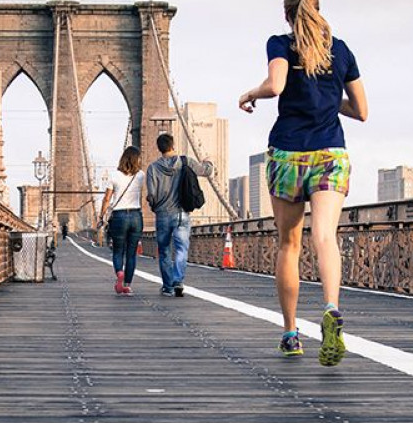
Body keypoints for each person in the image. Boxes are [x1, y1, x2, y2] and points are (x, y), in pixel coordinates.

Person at [238, 0, 367, 365]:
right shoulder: (341, 50)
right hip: (330, 153)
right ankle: (331, 307)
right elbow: (361, 111)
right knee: (325, 236)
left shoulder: (280, 43)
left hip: (288, 153)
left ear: (287, 13)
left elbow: (276, 85)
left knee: (289, 245)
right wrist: (328, 98)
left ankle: (291, 333)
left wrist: (250, 94)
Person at [145, 133, 214, 297]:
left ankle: (168, 287)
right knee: (181, 249)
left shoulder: (153, 168)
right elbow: (207, 171)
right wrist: (209, 162)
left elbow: (151, 195)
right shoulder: (185, 161)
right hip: (182, 214)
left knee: (164, 251)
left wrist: (155, 207)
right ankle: (178, 280)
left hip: (162, 214)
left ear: (159, 148)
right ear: (173, 145)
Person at [99, 146, 146, 296]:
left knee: (118, 250)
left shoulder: (114, 175)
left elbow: (107, 199)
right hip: (136, 216)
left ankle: (119, 272)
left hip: (119, 216)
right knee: (131, 254)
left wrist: (101, 216)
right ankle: (127, 285)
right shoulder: (141, 175)